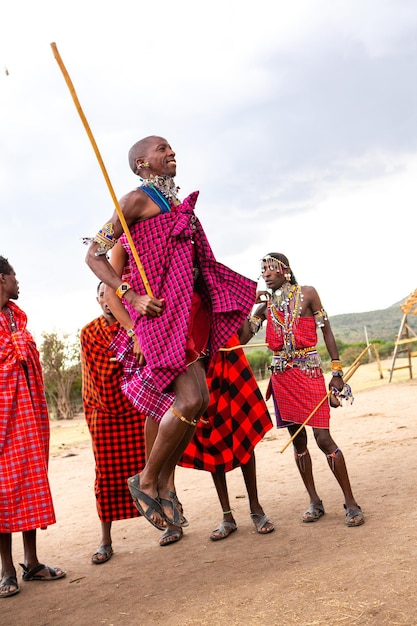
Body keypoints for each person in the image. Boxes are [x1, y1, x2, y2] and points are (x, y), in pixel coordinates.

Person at [85, 136, 256, 532]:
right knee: (191, 397)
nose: (171, 152)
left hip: (187, 315)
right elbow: (93, 255)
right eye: (162, 149)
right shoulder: (134, 201)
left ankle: (161, 482)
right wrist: (132, 296)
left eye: (171, 147)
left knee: (200, 401)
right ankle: (146, 480)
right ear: (142, 163)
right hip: (161, 317)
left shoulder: (175, 205)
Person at [253, 252, 364, 527]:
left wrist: (337, 372)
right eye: (263, 270)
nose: (266, 274)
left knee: (323, 439)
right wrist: (253, 310)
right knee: (298, 442)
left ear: (285, 271)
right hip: (281, 378)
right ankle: (314, 501)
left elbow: (326, 330)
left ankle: (351, 503)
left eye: (271, 269)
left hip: (309, 373)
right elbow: (243, 336)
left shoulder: (308, 293)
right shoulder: (267, 307)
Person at [0, 256, 66, 598]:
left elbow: (25, 358)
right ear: (1, 279)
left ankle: (32, 562)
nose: (18, 283)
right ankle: (6, 570)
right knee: (1, 494)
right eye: (14, 277)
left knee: (29, 487)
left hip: (26, 419)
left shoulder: (16, 317)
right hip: (2, 422)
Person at [179, 330, 275, 540]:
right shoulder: (183, 305)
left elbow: (240, 330)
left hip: (230, 364)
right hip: (200, 373)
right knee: (210, 442)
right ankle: (227, 516)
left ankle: (256, 508)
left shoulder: (220, 300)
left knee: (244, 435)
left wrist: (257, 317)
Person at [80, 282, 148, 563]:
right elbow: (102, 370)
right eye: (102, 294)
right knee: (106, 476)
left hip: (137, 406)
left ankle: (169, 521)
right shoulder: (89, 332)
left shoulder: (134, 328)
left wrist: (129, 362)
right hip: (103, 411)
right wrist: (127, 364)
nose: (108, 300)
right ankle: (105, 540)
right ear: (97, 299)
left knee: (150, 465)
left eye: (114, 294)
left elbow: (146, 361)